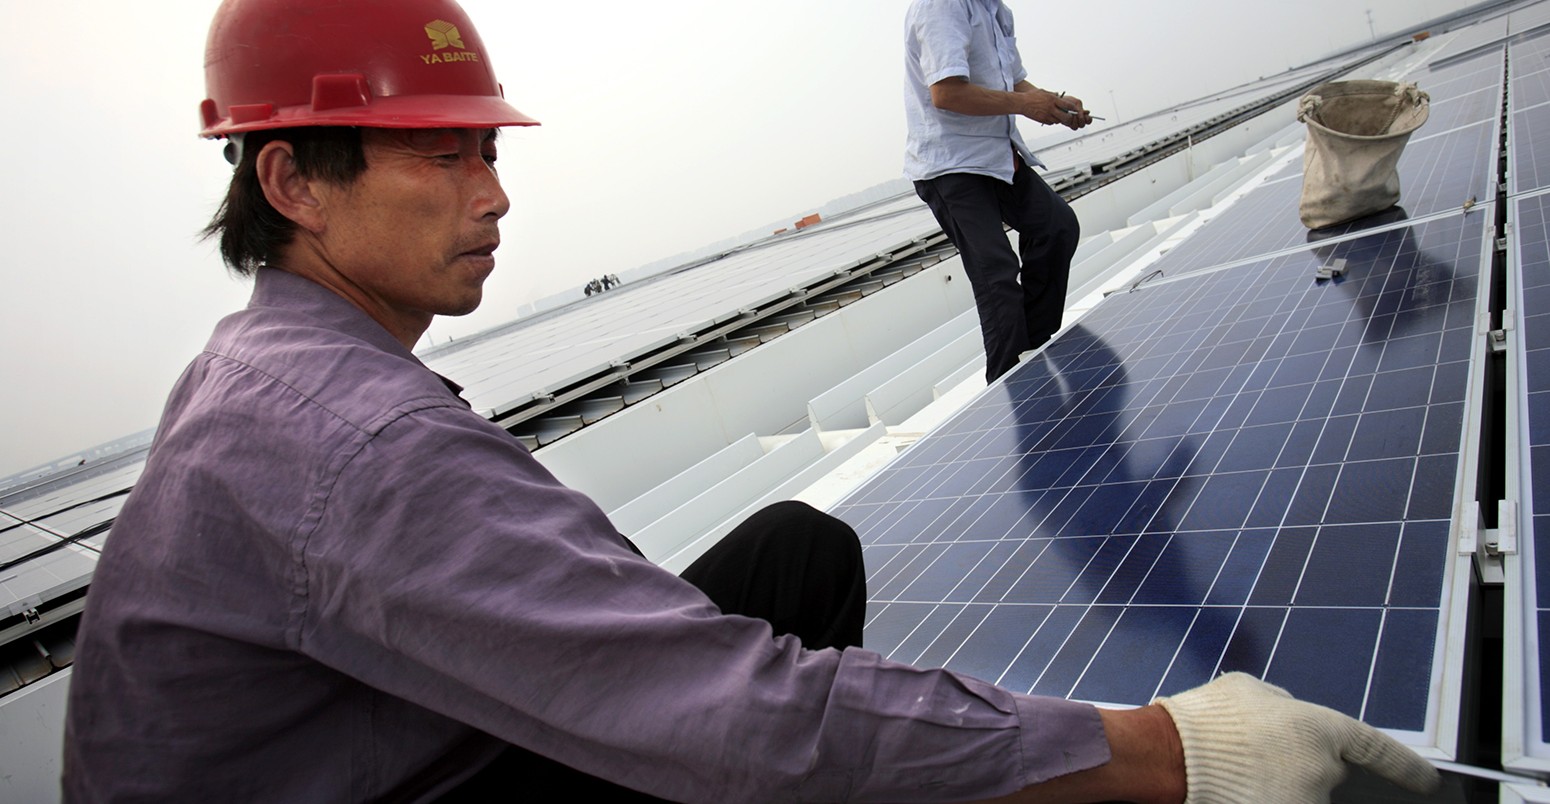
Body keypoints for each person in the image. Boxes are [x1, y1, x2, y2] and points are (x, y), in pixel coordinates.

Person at [63, 0, 1440, 801]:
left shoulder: (273, 371)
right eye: (437, 157)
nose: (493, 192)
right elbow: (735, 710)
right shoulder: (346, 438)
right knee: (750, 711)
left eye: (486, 148)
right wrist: (1164, 751)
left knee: (791, 549)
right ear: (293, 184)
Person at [904, 0, 1093, 383]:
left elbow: (1014, 81)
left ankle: (1032, 347)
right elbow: (947, 93)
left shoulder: (996, 10)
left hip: (998, 156)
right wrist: (1027, 104)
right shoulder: (942, 6)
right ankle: (1008, 383)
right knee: (997, 278)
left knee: (1056, 227)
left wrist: (1054, 104)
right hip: (952, 167)